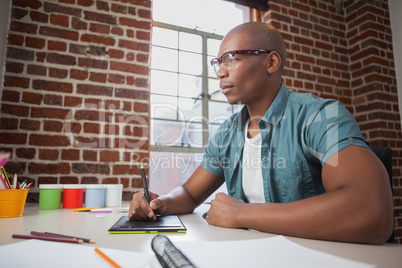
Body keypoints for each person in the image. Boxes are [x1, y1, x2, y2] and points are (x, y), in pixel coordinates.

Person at [129, 22, 393, 244]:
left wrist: (242, 214)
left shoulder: (319, 116)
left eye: (231, 59)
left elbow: (372, 210)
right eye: (217, 63)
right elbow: (188, 195)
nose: (220, 72)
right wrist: (160, 202)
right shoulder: (228, 133)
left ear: (271, 62)